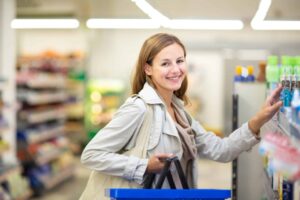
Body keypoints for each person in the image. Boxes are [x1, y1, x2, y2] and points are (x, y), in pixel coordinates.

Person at [80, 33, 282, 197]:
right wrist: (144, 166)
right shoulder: (139, 108)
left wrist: (259, 118)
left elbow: (221, 150)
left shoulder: (181, 114)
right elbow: (91, 155)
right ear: (148, 68)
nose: (175, 69)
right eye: (165, 63)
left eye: (179, 61)